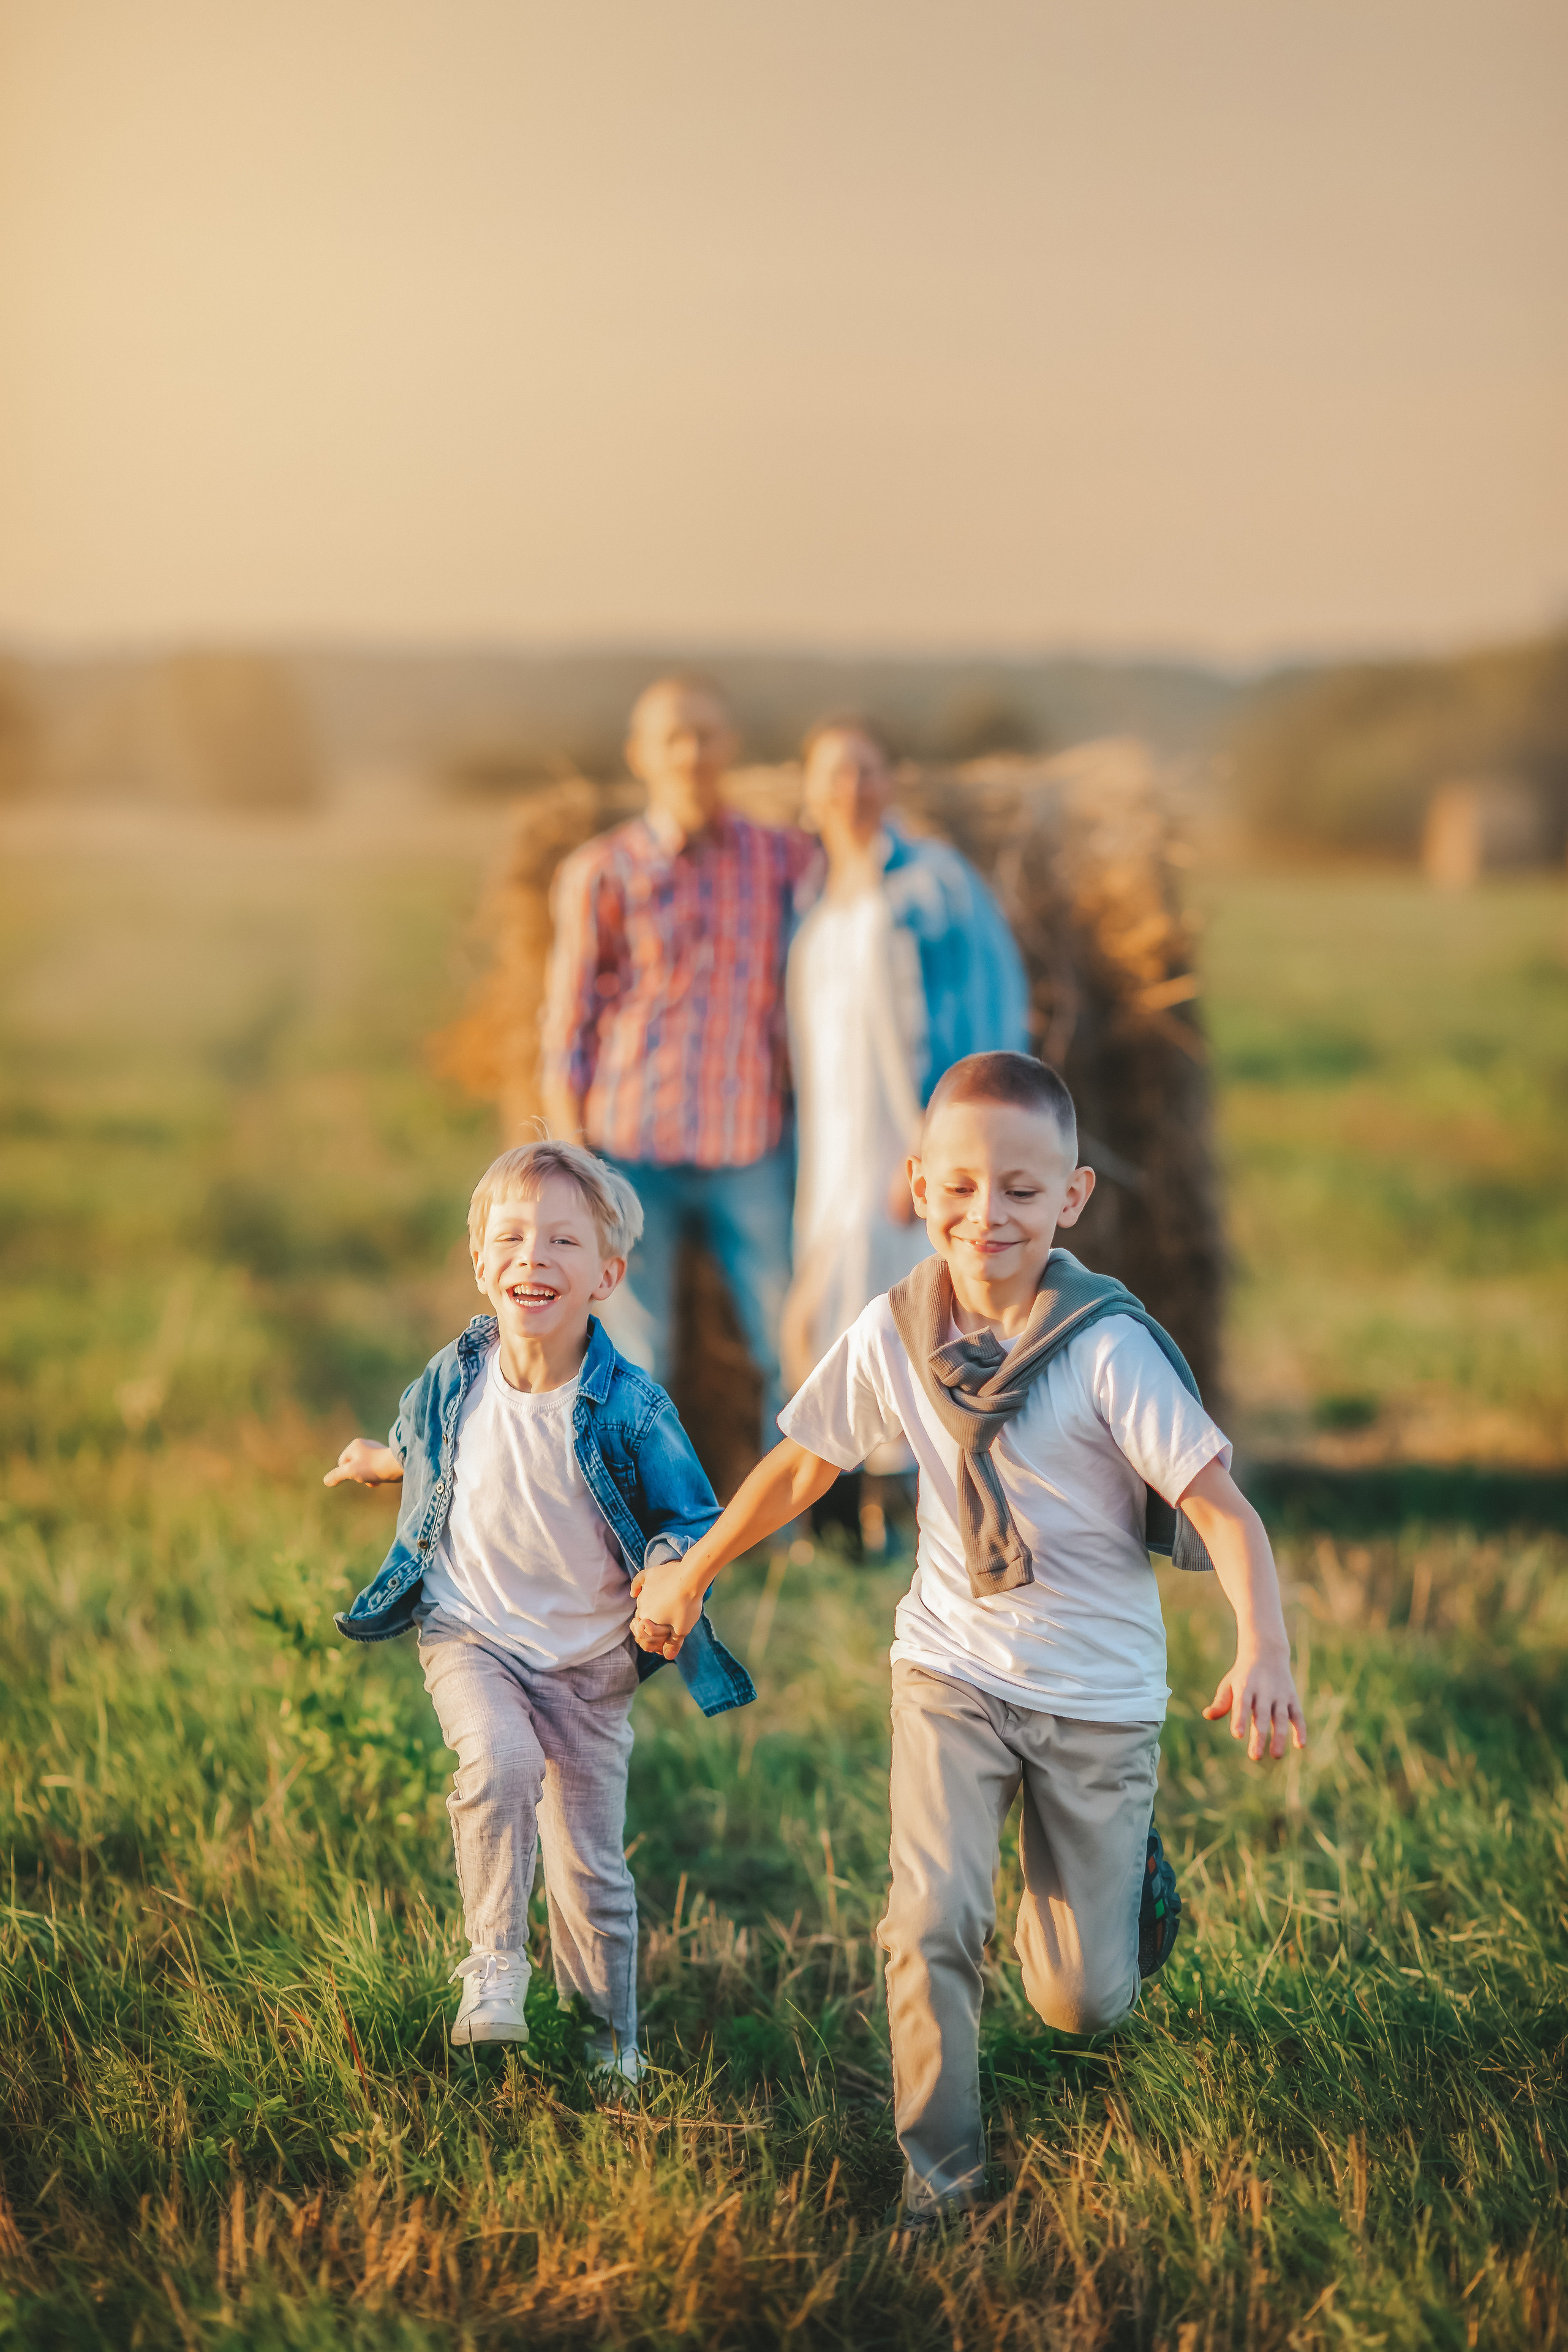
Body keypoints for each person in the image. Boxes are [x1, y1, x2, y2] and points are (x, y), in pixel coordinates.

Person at [631, 1052, 1306, 2225]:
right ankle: (939, 2182)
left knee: (1080, 2002)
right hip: (952, 1667)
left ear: (1073, 1199)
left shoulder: (1108, 1347)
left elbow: (1220, 1509)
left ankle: (1122, 1874)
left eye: (1019, 1192)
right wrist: (696, 1567)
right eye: (957, 1188)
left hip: (1097, 1698)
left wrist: (1264, 1652)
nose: (984, 1216)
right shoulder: (895, 1331)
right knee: (930, 1920)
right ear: (917, 1185)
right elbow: (803, 1462)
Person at [325, 1140, 753, 2073]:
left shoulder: (631, 1408)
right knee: (502, 1761)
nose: (533, 1258)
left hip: (591, 1665)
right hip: (470, 1630)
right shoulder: (453, 1377)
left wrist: (671, 1565)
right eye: (512, 1238)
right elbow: (429, 1447)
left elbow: (691, 1513)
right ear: (481, 1263)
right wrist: (380, 1460)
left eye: (563, 1241)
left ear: (607, 1275)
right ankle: (494, 1961)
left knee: (591, 1872)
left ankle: (609, 2046)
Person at [540, 676, 815, 1447]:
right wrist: (573, 1161)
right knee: (638, 1355)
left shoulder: (783, 859)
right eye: (673, 737)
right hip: (633, 1150)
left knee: (786, 1341)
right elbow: (568, 1026)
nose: (692, 752)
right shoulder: (603, 871)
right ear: (642, 757)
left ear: (728, 748)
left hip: (748, 1146)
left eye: (705, 734)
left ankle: (786, 1527)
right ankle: (645, 1526)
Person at [782, 719, 1030, 1491]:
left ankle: (911, 1512)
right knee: (822, 1322)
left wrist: (940, 1150)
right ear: (809, 793)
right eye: (833, 773)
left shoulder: (934, 882)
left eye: (865, 770)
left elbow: (986, 1013)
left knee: (910, 1322)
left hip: (905, 1144)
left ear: (888, 783)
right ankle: (855, 1508)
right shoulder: (815, 903)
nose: (849, 788)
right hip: (834, 1148)